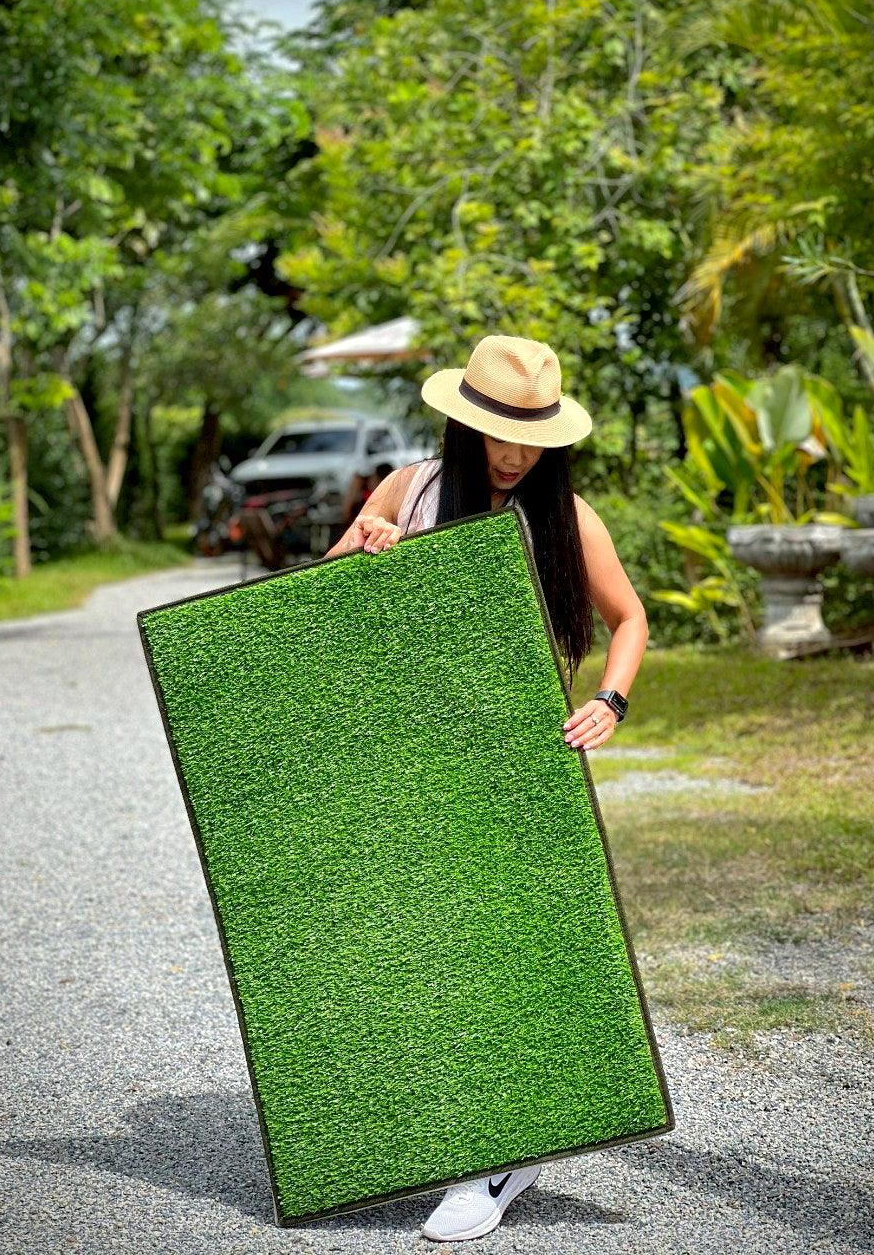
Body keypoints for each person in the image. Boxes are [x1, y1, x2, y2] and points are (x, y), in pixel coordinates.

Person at [323, 334, 649, 1243]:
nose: (514, 453)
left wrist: (610, 700)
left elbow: (629, 619)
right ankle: (442, 1128)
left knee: (508, 945)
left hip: (513, 754)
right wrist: (365, 545)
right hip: (399, 750)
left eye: (531, 435)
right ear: (462, 423)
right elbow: (315, 600)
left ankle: (501, 1156)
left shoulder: (566, 515)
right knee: (417, 940)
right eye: (498, 433)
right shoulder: (409, 489)